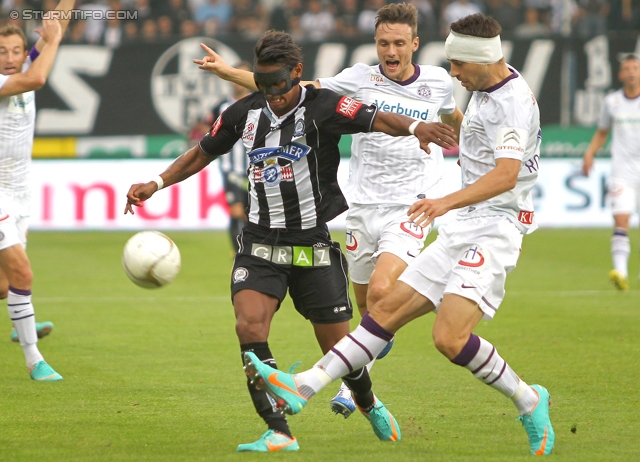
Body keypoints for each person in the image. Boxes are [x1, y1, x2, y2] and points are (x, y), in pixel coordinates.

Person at [125, 30, 457, 452]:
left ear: (297, 73)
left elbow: (376, 118)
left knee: (340, 348)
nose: (272, 94)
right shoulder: (242, 113)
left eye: (278, 84)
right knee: (248, 325)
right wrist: (156, 182)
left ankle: (367, 401)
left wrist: (416, 127)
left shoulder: (326, 106)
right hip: (260, 245)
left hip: (312, 245)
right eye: (263, 85)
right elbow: (201, 153)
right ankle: (278, 428)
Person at [243, 14, 556, 457]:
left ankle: (529, 398)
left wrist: (443, 201)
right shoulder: (484, 90)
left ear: (478, 58)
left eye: (457, 65)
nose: (453, 74)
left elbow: (506, 176)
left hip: (494, 229)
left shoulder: (511, 104)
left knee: (448, 339)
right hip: (460, 225)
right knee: (384, 309)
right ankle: (304, 386)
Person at [194, 2, 464, 418]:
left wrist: (470, 150)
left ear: (414, 44)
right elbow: (288, 87)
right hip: (362, 206)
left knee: (380, 293)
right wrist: (228, 72)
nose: (389, 51)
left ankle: (342, 387)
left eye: (397, 43)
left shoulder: (438, 82)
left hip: (412, 205)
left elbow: (453, 116)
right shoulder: (357, 78)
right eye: (381, 43)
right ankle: (366, 361)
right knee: (368, 309)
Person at [0, 0, 75, 381]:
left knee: (5, 287)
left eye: (16, 50)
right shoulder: (8, 80)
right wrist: (55, 41)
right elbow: (38, 78)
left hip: (19, 193)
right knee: (22, 274)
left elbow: (52, 25)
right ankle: (34, 359)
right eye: (2, 52)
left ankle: (20, 316)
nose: (11, 57)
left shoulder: (23, 65)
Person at [582, 54, 640, 291]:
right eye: (627, 68)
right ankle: (621, 272)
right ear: (620, 75)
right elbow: (602, 132)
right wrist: (590, 153)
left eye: (635, 68)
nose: (631, 72)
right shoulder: (612, 102)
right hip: (622, 172)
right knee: (621, 220)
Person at [190, 62, 252, 253]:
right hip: (230, 169)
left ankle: (253, 252)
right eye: (236, 76)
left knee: (252, 216)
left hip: (256, 170)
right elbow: (202, 126)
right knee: (236, 211)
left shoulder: (260, 103)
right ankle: (239, 254)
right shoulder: (221, 107)